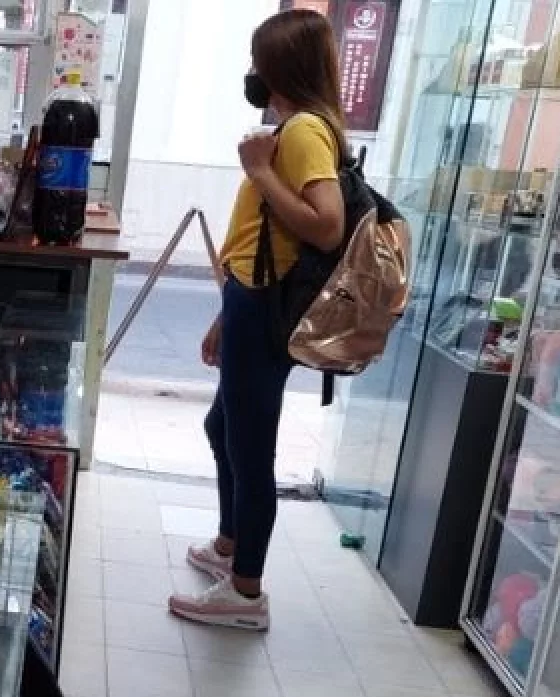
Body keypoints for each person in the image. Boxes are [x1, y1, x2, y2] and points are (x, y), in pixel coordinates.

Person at [167, 8, 347, 631]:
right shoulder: (296, 129)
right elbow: (260, 236)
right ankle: (229, 546)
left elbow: (327, 225)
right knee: (223, 426)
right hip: (249, 299)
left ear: (280, 68)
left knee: (248, 447)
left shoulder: (303, 132)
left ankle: (246, 593)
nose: (250, 72)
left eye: (257, 60)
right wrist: (226, 315)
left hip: (264, 304)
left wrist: (261, 172)